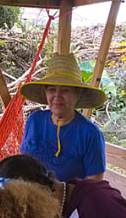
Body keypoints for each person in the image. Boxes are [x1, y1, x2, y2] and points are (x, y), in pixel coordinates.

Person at [20, 53, 107, 181]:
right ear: (45, 93)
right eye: (51, 90)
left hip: (70, 200)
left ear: (77, 94)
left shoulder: (89, 133)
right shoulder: (34, 120)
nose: (57, 96)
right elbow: (22, 162)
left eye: (65, 90)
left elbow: (94, 184)